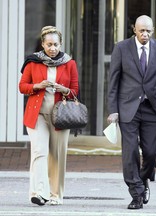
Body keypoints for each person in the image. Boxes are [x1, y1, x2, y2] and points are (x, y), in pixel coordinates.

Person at [107, 15, 156, 209]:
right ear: (134, 29)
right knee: (130, 152)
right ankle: (136, 193)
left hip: (153, 109)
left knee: (151, 153)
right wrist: (113, 110)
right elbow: (113, 82)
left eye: (148, 31)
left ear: (153, 30)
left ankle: (143, 179)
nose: (145, 34)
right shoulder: (122, 48)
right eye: (142, 30)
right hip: (128, 109)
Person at [19, 26, 79, 206]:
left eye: (56, 44)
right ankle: (39, 192)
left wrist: (64, 90)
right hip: (37, 115)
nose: (52, 48)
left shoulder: (69, 63)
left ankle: (55, 194)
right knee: (39, 152)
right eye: (49, 44)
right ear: (43, 44)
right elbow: (22, 86)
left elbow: (75, 91)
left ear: (60, 44)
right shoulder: (33, 62)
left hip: (60, 116)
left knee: (57, 156)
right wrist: (37, 86)